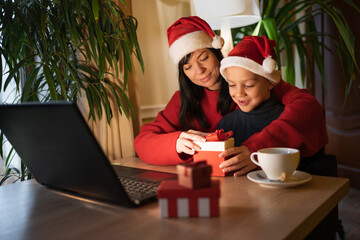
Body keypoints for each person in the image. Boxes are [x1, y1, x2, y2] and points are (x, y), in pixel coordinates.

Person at [134, 16, 328, 177]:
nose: (199, 70)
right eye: (188, 67)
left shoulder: (251, 80)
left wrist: (257, 148)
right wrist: (176, 143)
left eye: (203, 58)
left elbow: (306, 107)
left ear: (217, 53)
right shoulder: (181, 101)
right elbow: (143, 141)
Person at [217, 35, 285, 148]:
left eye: (249, 85)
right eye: (232, 85)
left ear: (269, 83)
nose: (239, 93)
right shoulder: (226, 124)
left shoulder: (288, 118)